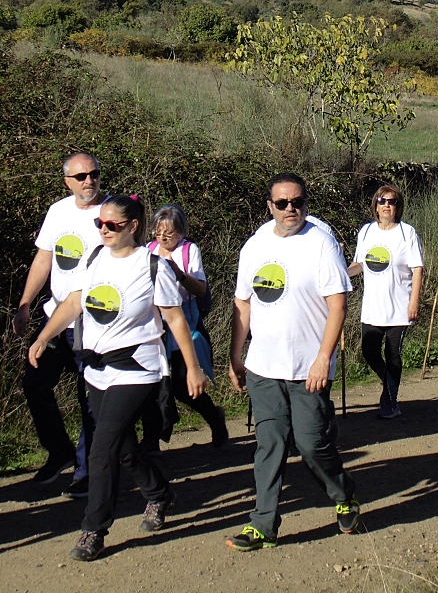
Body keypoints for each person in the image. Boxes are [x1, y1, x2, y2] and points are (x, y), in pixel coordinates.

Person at [29, 195, 207, 562]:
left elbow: (173, 319)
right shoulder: (94, 259)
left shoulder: (152, 266)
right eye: (100, 224)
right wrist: (44, 336)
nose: (104, 230)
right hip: (97, 368)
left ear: (133, 226)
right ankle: (159, 494)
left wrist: (192, 368)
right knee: (124, 449)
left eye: (112, 224)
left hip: (138, 368)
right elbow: (74, 302)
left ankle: (93, 529)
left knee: (102, 447)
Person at [227, 173, 358, 551]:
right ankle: (263, 524)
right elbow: (243, 303)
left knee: (311, 443)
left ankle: (343, 494)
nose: (290, 209)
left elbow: (338, 305)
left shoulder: (320, 244)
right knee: (269, 443)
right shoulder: (254, 246)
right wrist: (237, 355)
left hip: (307, 368)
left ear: (306, 203)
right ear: (269, 205)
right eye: (282, 203)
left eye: (297, 202)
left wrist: (323, 358)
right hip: (264, 367)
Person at [12, 152, 104, 497]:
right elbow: (44, 257)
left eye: (93, 174)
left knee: (89, 397)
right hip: (55, 315)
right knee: (35, 382)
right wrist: (24, 303)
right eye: (80, 176)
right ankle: (60, 451)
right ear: (67, 181)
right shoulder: (58, 212)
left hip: (94, 321)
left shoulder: (110, 214)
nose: (88, 181)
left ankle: (87, 470)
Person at [148, 203, 228, 446]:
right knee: (155, 383)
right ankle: (154, 438)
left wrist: (178, 273)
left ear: (181, 232)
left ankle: (215, 418)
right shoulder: (148, 250)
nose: (162, 237)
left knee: (183, 386)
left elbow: (201, 288)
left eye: (169, 232)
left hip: (185, 322)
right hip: (155, 325)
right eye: (158, 231)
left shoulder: (189, 251)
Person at [347, 185, 423, 419]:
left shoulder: (407, 233)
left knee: (393, 355)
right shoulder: (366, 232)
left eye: (392, 202)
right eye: (382, 201)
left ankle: (389, 400)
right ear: (375, 206)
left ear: (398, 207)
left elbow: (417, 268)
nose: (387, 205)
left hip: (399, 307)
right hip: (372, 307)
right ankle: (389, 386)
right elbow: (359, 265)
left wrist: (414, 302)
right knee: (370, 352)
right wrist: (340, 273)